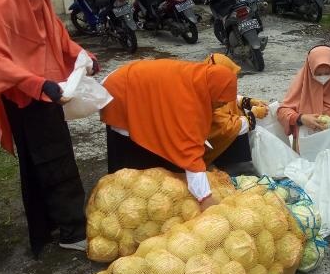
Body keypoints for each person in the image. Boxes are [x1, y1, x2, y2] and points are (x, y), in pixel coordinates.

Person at [0, 0, 100, 257]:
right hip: (25, 95)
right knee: (55, 161)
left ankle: (46, 228)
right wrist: (36, 83)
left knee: (40, 162)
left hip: (45, 91)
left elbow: (58, 38)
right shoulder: (3, 6)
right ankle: (73, 230)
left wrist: (82, 56)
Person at [100, 59, 238, 210]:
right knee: (133, 163)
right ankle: (118, 202)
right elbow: (188, 150)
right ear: (213, 92)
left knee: (155, 148)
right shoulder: (187, 102)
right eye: (221, 102)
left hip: (138, 86)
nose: (222, 106)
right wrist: (205, 197)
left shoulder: (199, 81)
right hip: (122, 93)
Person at [202, 53, 269, 168]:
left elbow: (230, 100)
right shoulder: (206, 100)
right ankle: (238, 170)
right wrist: (254, 114)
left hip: (227, 141)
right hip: (217, 149)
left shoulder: (213, 87)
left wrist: (249, 101)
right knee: (241, 126)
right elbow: (228, 127)